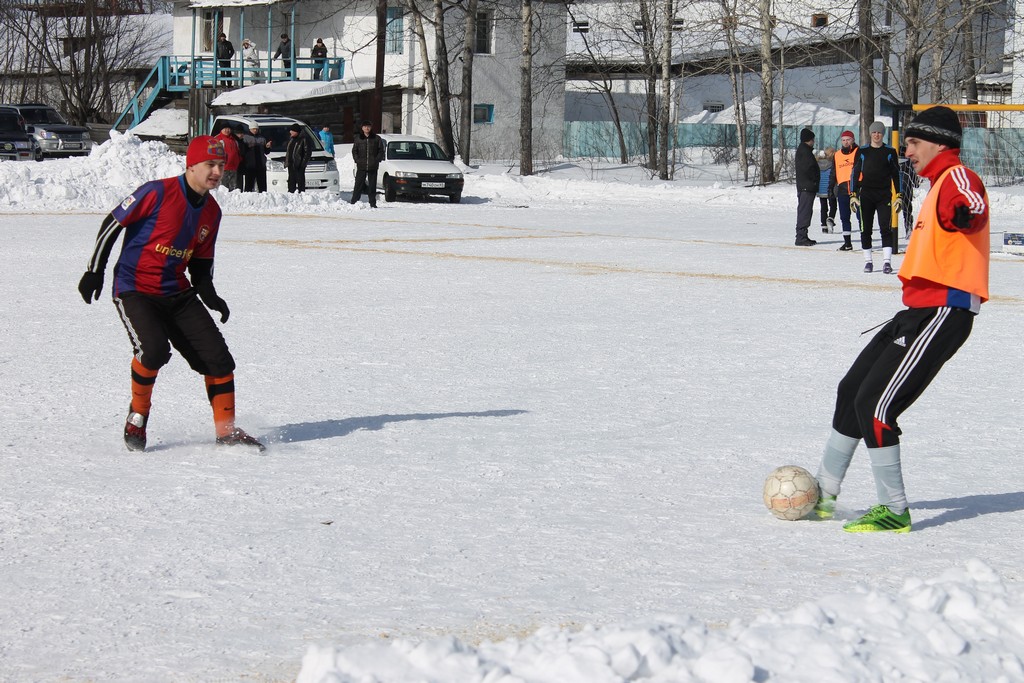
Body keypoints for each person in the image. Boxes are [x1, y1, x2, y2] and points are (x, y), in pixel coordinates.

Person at [811, 106, 988, 534]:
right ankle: (823, 492)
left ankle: (894, 510)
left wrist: (965, 211)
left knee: (877, 404)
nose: (905, 151)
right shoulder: (935, 184)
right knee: (851, 389)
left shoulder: (956, 178)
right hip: (919, 311)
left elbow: (973, 200)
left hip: (945, 311)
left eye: (911, 143)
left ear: (938, 143)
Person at [76, 135, 265, 453]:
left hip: (177, 293)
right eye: (210, 165)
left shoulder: (212, 212)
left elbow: (202, 263)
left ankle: (226, 431)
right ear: (191, 165)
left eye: (221, 165)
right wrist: (94, 270)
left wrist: (211, 294)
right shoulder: (157, 192)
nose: (217, 172)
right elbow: (112, 223)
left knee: (219, 360)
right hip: (135, 288)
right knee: (153, 351)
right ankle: (138, 414)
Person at [850, 121, 902, 274]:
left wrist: (899, 195)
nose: (876, 135)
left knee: (885, 228)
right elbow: (854, 173)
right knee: (865, 229)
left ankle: (887, 262)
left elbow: (896, 174)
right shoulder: (863, 151)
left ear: (883, 134)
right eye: (874, 132)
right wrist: (853, 194)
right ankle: (868, 261)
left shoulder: (890, 151)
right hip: (866, 194)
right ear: (870, 134)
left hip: (884, 195)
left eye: (879, 132)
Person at [832, 130, 859, 251]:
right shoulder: (837, 155)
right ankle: (847, 243)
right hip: (842, 189)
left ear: (853, 140)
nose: (845, 142)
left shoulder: (858, 152)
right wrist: (830, 188)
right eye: (843, 140)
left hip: (857, 189)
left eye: (848, 139)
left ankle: (866, 241)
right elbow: (833, 173)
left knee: (861, 216)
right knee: (844, 217)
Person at [350, 120, 385, 208]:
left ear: (371, 127)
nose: (367, 128)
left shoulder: (376, 138)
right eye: (365, 126)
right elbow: (354, 151)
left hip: (373, 166)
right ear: (362, 128)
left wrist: (376, 160)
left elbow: (381, 151)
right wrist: (357, 160)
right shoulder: (358, 138)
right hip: (361, 165)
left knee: (372, 185)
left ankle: (373, 203)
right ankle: (354, 202)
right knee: (358, 184)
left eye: (368, 126)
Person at [793, 128, 818, 246]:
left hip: (805, 186)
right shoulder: (805, 152)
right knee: (805, 211)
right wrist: (814, 181)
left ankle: (803, 235)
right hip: (806, 187)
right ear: (809, 140)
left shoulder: (803, 150)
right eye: (813, 139)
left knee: (805, 211)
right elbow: (809, 169)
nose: (813, 142)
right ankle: (801, 236)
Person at [898, 151, 920, 239]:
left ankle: (908, 227)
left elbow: (912, 173)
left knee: (906, 206)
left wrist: (915, 183)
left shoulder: (908, 161)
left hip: (904, 187)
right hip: (895, 186)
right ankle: (907, 228)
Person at [242, 124, 270, 192]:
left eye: (256, 129)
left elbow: (266, 152)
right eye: (253, 129)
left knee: (262, 186)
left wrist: (268, 147)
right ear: (250, 129)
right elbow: (243, 151)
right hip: (250, 165)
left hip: (261, 165)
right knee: (249, 185)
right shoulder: (245, 138)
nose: (255, 130)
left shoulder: (262, 138)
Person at [212, 123, 241, 191]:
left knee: (233, 188)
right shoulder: (217, 139)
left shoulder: (234, 139)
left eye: (228, 129)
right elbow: (213, 154)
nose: (227, 130)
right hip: (223, 168)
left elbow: (238, 152)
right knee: (223, 188)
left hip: (233, 167)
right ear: (221, 130)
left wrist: (238, 160)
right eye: (225, 129)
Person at [816, 147, 837, 233]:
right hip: (830, 188)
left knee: (823, 207)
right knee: (833, 205)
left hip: (821, 188)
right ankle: (830, 218)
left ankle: (824, 226)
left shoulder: (817, 163)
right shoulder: (832, 163)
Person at [285, 123, 311, 193]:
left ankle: (301, 195)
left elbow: (307, 152)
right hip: (291, 164)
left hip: (299, 164)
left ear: (296, 131)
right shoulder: (291, 139)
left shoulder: (304, 139)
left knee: (300, 181)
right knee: (291, 181)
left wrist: (303, 163)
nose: (290, 132)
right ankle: (291, 194)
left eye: (292, 131)